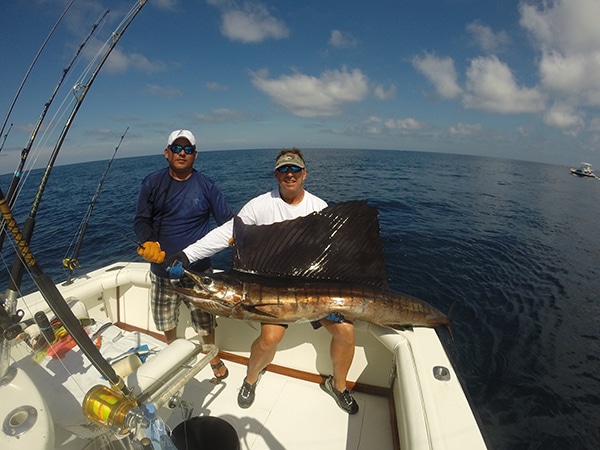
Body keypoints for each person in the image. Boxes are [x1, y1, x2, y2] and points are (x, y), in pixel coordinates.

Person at [168, 148, 358, 414]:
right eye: (283, 170)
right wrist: (187, 255)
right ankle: (250, 379)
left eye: (294, 169)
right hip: (271, 291)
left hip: (314, 289)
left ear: (304, 173)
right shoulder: (260, 205)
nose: (289, 174)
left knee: (346, 331)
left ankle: (338, 386)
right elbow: (228, 233)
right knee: (270, 337)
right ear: (276, 174)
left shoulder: (319, 207)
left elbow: (335, 254)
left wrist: (333, 301)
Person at [134, 129, 233, 384]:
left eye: (187, 149)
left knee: (205, 320)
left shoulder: (207, 186)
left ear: (195, 155)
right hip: (162, 270)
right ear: (167, 152)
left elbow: (228, 225)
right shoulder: (152, 183)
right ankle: (172, 352)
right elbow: (142, 219)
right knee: (167, 319)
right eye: (176, 148)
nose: (182, 153)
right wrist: (147, 240)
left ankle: (211, 355)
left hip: (198, 274)